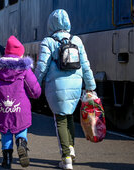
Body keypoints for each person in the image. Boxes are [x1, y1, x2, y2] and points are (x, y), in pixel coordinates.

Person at [34, 9, 96, 169]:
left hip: (56, 85)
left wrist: (35, 84)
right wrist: (91, 86)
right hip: (75, 84)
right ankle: (71, 150)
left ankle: (66, 158)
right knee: (69, 118)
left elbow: (42, 66)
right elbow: (86, 65)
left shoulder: (48, 42)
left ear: (51, 24)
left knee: (60, 119)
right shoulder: (77, 40)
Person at [0, 35, 41, 168]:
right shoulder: (24, 69)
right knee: (21, 127)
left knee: (6, 131)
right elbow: (34, 90)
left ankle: (7, 160)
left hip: (2, 108)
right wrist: (36, 95)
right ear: (20, 53)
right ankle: (21, 143)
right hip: (20, 107)